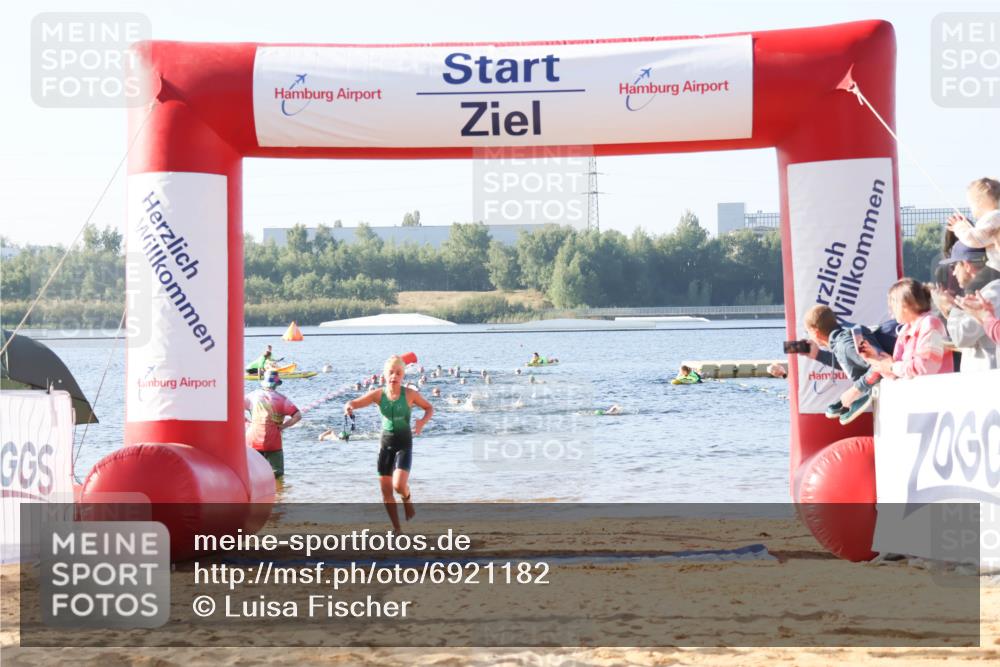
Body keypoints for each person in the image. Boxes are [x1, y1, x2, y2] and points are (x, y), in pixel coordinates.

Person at [344, 355, 433, 532]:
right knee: (386, 492)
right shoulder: (378, 394)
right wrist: (348, 407)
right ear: (384, 375)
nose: (394, 376)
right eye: (391, 372)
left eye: (398, 373)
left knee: (399, 486)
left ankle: (407, 498)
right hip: (386, 445)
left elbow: (429, 408)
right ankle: (397, 528)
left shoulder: (410, 394)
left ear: (403, 376)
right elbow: (354, 402)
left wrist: (422, 422)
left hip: (404, 444)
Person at [798, 304, 887, 426]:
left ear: (815, 332)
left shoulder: (845, 345)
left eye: (808, 332)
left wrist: (855, 390)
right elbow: (854, 362)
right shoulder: (842, 340)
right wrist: (818, 355)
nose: (808, 336)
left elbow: (879, 364)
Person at [861, 278, 954, 379]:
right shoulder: (905, 330)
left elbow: (925, 367)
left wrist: (892, 367)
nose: (890, 312)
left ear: (905, 304)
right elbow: (896, 374)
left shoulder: (930, 323)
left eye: (892, 306)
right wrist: (875, 358)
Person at [932, 242, 1000, 372]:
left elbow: (961, 336)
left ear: (966, 265)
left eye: (954, 266)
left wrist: (950, 309)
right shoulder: (986, 291)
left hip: (989, 382)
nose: (953, 273)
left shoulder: (993, 291)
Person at [244, 370, 302, 478]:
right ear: (276, 384)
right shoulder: (283, 399)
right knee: (277, 475)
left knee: (252, 474)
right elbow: (297, 416)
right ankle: (279, 493)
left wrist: (246, 422)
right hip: (273, 441)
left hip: (253, 440)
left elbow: (234, 406)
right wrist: (284, 426)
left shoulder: (252, 396)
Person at [947, 177, 1000, 274]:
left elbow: (973, 239)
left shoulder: (992, 218)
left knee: (975, 285)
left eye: (971, 205)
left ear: (978, 203)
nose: (971, 210)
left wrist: (959, 227)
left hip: (996, 268)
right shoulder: (995, 218)